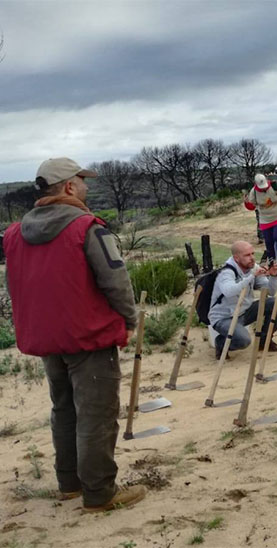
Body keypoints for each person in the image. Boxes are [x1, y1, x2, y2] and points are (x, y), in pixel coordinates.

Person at [3, 157, 146, 512]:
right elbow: (115, 280)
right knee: (96, 414)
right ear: (68, 186)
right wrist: (129, 319)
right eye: (82, 181)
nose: (86, 187)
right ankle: (99, 493)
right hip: (89, 335)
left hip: (47, 337)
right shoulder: (87, 227)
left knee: (64, 409)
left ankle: (69, 483)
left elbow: (16, 285)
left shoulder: (14, 233)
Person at [208, 241, 277, 356]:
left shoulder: (252, 268)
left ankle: (265, 342)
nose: (252, 258)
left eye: (252, 253)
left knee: (274, 303)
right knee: (244, 341)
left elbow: (270, 292)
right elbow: (229, 291)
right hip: (224, 318)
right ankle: (220, 343)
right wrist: (251, 276)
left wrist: (273, 276)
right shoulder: (226, 273)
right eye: (247, 255)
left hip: (244, 311)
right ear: (236, 258)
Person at [244, 174, 277, 265]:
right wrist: (246, 203)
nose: (264, 189)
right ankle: (272, 266)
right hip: (265, 220)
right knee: (269, 244)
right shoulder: (254, 192)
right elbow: (252, 206)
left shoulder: (274, 187)